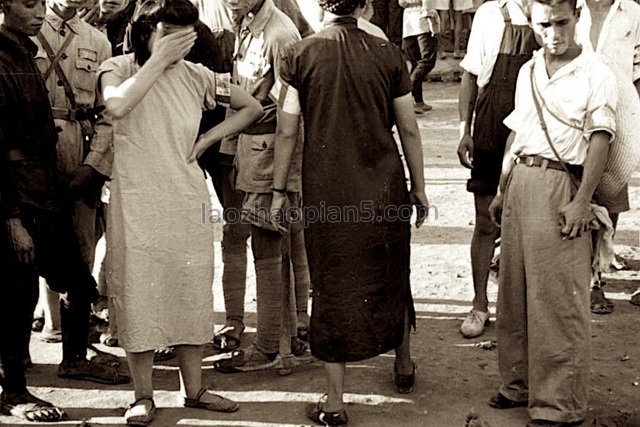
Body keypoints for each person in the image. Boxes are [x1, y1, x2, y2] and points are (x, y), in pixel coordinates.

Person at [98, 0, 262, 423]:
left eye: (188, 34)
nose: (182, 44)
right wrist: (159, 59)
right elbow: (117, 106)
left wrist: (207, 140)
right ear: (147, 30)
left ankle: (196, 389)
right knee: (139, 291)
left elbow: (252, 107)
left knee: (190, 288)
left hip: (186, 196)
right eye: (172, 33)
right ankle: (143, 395)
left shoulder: (200, 76)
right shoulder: (117, 68)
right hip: (136, 199)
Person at [270, 0, 429, 423]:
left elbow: (287, 130)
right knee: (392, 271)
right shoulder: (389, 53)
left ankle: (335, 403)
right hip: (384, 188)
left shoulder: (299, 55)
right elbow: (408, 127)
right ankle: (404, 365)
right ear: (363, 6)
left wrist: (278, 189)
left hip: (328, 193)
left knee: (331, 285)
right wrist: (420, 187)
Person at [487, 0, 617, 422]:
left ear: (577, 16)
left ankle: (559, 404)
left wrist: (582, 201)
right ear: (533, 22)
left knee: (558, 300)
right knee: (514, 292)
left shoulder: (596, 73)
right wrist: (502, 189)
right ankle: (518, 385)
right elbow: (519, 130)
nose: (553, 33)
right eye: (544, 24)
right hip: (522, 180)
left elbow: (601, 138)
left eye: (561, 23)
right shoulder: (528, 71)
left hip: (562, 182)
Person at [32, 0, 113, 365]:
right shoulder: (23, 30)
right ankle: (37, 335)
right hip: (31, 151)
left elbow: (107, 115)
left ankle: (75, 355)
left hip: (78, 152)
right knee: (26, 245)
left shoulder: (97, 41)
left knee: (80, 247)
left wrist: (94, 165)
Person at [456, 0, 537, 338]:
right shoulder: (491, 13)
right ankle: (479, 304)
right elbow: (471, 76)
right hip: (492, 121)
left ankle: (529, 310)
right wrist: (465, 129)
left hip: (536, 122)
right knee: (486, 221)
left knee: (535, 223)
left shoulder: (556, 11)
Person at [574, 0, 640, 313]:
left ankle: (597, 275)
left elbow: (638, 70)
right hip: (573, 118)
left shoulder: (633, 13)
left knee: (609, 199)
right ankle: (587, 280)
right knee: (576, 196)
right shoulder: (571, 9)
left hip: (620, 117)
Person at [400, 0, 439, 114]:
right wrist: (433, 23)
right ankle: (408, 90)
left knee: (416, 63)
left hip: (408, 21)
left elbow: (401, 3)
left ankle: (418, 101)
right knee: (427, 61)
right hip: (423, 20)